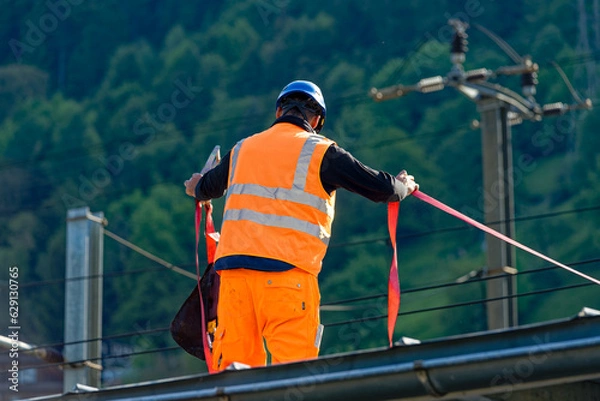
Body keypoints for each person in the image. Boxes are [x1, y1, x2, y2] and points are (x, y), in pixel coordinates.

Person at [184, 80, 418, 371]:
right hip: (287, 281)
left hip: (234, 282)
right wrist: (404, 185)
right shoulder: (322, 153)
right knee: (292, 377)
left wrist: (195, 187)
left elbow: (206, 187)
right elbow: (383, 189)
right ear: (317, 119)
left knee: (234, 379)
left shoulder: (243, 149)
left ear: (279, 110)